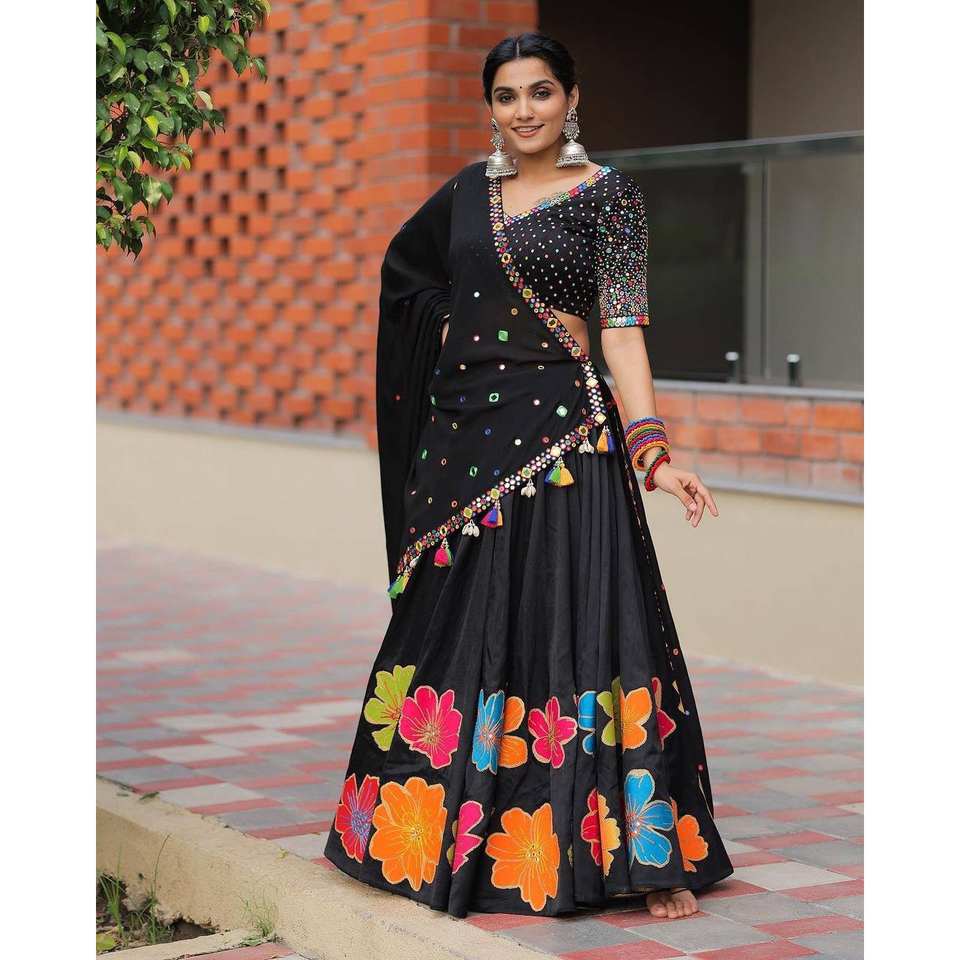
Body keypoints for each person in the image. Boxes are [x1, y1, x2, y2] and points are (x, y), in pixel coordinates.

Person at [323, 32, 734, 921]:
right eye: (507, 96)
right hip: (465, 447)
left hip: (566, 445)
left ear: (571, 98)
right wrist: (459, 331)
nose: (524, 111)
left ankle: (640, 854)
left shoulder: (610, 197)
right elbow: (406, 280)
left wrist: (654, 451)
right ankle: (423, 835)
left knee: (590, 631)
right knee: (449, 634)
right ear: (491, 108)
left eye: (540, 92)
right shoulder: (465, 195)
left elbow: (621, 331)